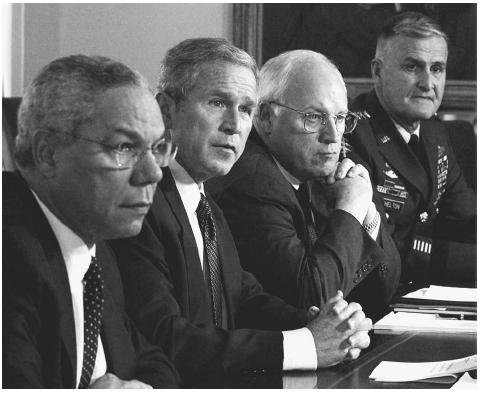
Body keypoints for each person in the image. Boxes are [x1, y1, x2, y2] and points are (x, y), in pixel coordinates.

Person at [110, 38, 372, 386]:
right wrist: (306, 344)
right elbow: (165, 337)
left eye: (246, 109)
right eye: (218, 103)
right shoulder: (140, 204)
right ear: (166, 109)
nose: (234, 125)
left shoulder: (207, 204)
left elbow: (243, 297)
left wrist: (327, 325)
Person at [3, 55, 180, 388]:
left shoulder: (94, 245)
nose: (153, 173)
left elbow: (154, 363)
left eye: (156, 148)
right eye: (125, 147)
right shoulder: (10, 256)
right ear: (48, 153)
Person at [208, 50, 401, 321]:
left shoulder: (318, 170)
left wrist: (366, 216)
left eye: (341, 118)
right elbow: (312, 301)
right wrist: (349, 209)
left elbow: (383, 292)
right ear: (265, 117)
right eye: (314, 117)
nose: (333, 136)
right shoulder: (253, 181)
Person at [346, 12, 476, 291]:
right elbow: (388, 247)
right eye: (412, 67)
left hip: (424, 294)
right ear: (377, 71)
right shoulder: (352, 135)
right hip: (373, 301)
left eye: (437, 68)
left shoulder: (433, 131)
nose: (428, 83)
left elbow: (465, 215)